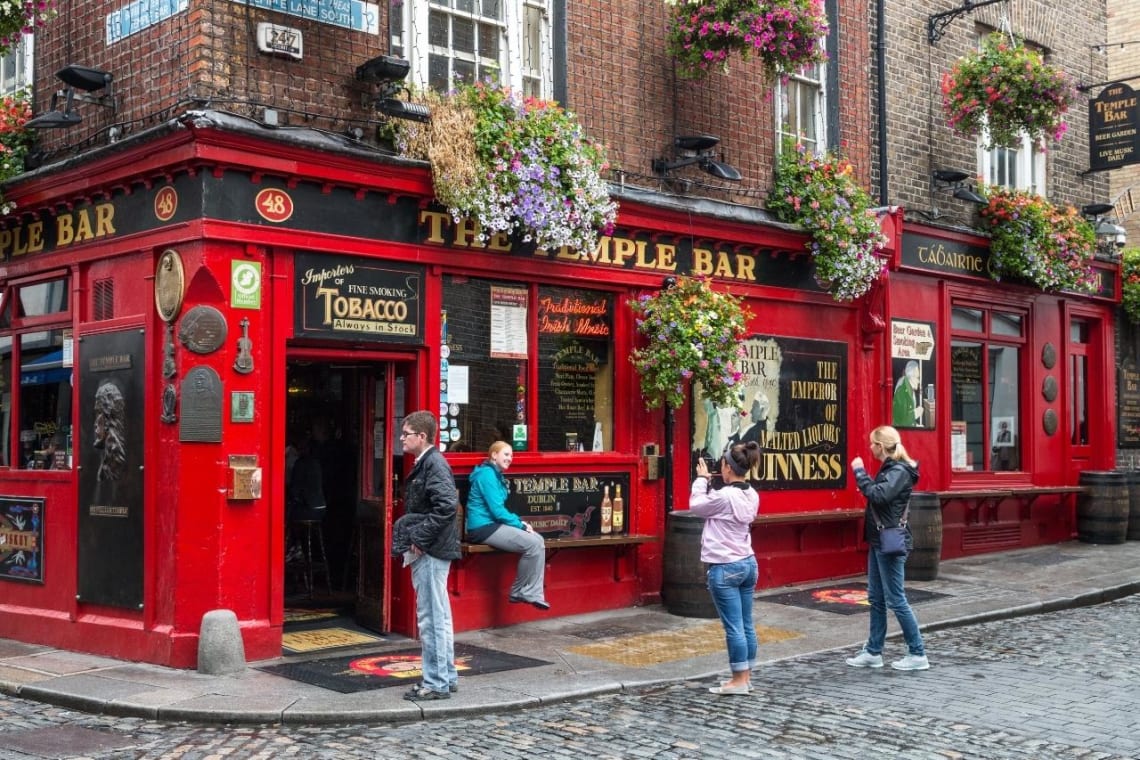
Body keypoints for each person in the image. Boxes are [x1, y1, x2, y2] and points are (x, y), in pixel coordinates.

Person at [846, 425, 929, 671]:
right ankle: (873, 651)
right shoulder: (892, 469)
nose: (870, 447)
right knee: (876, 598)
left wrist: (860, 472)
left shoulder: (899, 471)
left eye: (872, 443)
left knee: (896, 600)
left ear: (880, 447)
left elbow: (879, 495)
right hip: (879, 541)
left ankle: (917, 653)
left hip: (890, 544)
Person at [689, 440, 762, 695]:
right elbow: (717, 507)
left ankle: (738, 680)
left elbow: (697, 506)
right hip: (748, 562)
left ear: (728, 469)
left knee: (734, 627)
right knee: (746, 623)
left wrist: (701, 480)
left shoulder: (726, 496)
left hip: (725, 566)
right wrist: (711, 485)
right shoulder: (751, 494)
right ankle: (747, 676)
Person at [400, 410, 461, 701]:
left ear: (421, 436)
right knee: (440, 616)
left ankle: (435, 682)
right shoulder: (429, 463)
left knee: (431, 617)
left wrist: (420, 539)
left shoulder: (433, 464)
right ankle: (445, 677)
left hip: (432, 550)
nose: (402, 438)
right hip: (436, 547)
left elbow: (447, 506)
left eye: (406, 434)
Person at [465, 441, 549, 610]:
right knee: (534, 543)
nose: (510, 458)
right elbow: (497, 511)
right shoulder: (487, 475)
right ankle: (527, 592)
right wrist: (520, 525)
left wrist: (520, 523)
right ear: (494, 455)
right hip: (483, 528)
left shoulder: (495, 475)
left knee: (537, 540)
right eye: (506, 454)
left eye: (512, 455)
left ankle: (522, 591)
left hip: (491, 525)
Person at [892, 360, 923, 428]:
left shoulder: (909, 389)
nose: (919, 381)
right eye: (918, 378)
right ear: (911, 377)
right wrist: (915, 413)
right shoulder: (902, 391)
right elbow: (902, 420)